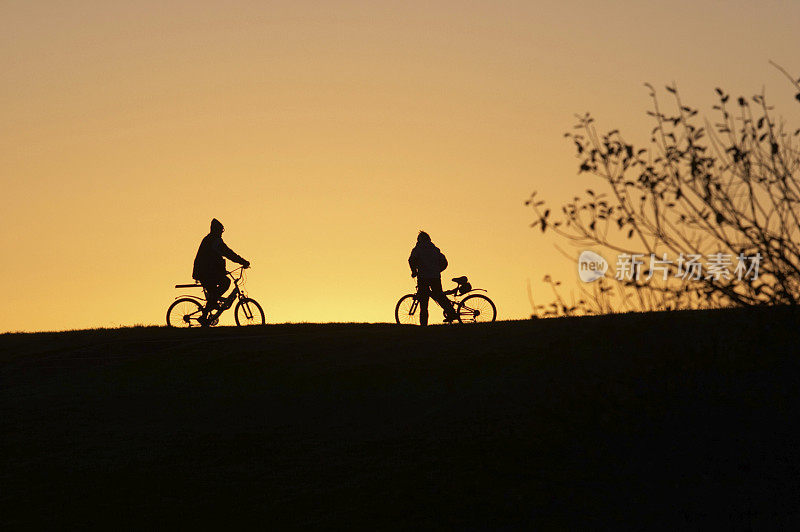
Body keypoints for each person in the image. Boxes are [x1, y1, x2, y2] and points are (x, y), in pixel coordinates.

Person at [192, 218, 250, 323]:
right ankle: (208, 310)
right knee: (225, 282)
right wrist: (243, 261)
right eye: (221, 230)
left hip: (206, 272)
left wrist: (222, 270)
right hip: (205, 273)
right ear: (217, 230)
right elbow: (228, 253)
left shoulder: (210, 239)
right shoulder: (214, 240)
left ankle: (208, 310)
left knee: (217, 291)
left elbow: (216, 258)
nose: (222, 233)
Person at [408, 231, 457, 326]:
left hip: (423, 278)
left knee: (424, 302)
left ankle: (424, 325)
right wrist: (437, 271)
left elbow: (411, 260)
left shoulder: (417, 249)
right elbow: (444, 262)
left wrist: (414, 271)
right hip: (435, 277)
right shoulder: (434, 249)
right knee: (439, 295)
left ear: (419, 239)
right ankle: (451, 312)